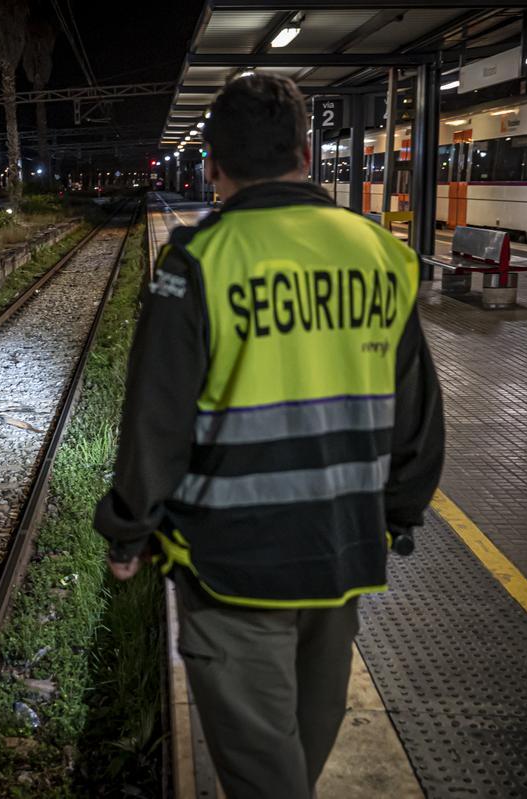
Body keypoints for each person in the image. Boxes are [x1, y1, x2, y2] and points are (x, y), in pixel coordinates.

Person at [94, 73, 444, 798]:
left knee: (265, 774)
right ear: (308, 155)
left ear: (213, 165)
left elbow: (156, 421)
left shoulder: (198, 264)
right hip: (343, 555)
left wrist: (129, 531)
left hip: (232, 568)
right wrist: (399, 511)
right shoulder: (379, 253)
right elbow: (417, 412)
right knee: (296, 761)